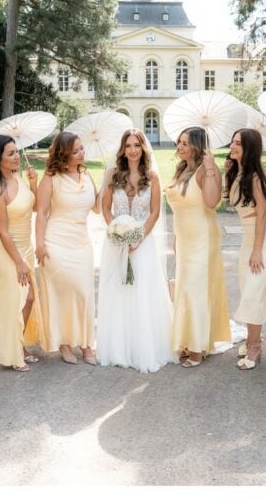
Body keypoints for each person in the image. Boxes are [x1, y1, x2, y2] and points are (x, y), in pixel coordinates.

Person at [96, 129, 177, 372]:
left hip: (143, 242)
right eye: (128, 145)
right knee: (118, 290)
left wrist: (139, 237)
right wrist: (116, 231)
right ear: (122, 149)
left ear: (143, 148)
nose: (132, 150)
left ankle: (144, 347)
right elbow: (106, 207)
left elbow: (154, 211)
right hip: (117, 242)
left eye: (137, 145)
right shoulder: (112, 174)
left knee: (143, 292)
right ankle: (119, 348)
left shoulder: (151, 177)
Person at [0, 135, 45, 372]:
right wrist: (19, 262)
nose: (16, 156)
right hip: (8, 250)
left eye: (16, 151)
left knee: (29, 298)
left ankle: (19, 344)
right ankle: (12, 354)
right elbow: (2, 231)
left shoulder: (18, 177)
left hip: (24, 246)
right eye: (10, 153)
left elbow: (35, 207)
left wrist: (34, 183)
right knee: (17, 300)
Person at [166, 126, 230, 367]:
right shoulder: (181, 168)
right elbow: (180, 208)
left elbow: (212, 202)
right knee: (185, 289)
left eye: (185, 143)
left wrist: (212, 169)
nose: (179, 147)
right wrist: (175, 238)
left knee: (197, 289)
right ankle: (188, 339)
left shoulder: (207, 170)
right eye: (179, 142)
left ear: (197, 145)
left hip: (203, 238)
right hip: (184, 237)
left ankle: (197, 346)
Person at [36, 132, 99, 365]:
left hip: (82, 244)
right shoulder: (51, 179)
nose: (82, 153)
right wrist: (40, 244)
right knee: (63, 293)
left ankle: (86, 344)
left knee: (84, 292)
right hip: (57, 242)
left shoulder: (87, 175)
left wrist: (109, 183)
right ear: (64, 155)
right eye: (76, 151)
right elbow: (41, 213)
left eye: (82, 148)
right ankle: (64, 343)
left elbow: (98, 209)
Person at [224, 128, 266, 370]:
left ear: (249, 148)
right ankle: (252, 338)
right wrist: (227, 173)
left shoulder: (254, 176)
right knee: (250, 287)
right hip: (251, 235)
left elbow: (261, 212)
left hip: (265, 237)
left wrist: (257, 249)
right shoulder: (238, 172)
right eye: (233, 141)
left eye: (238, 143)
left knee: (254, 290)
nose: (233, 146)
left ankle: (255, 346)